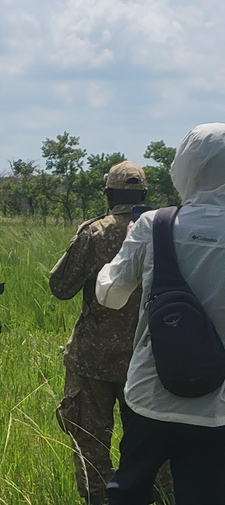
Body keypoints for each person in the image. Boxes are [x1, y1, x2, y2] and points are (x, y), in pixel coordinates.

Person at [96, 123, 225, 505]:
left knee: (129, 489)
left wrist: (133, 241)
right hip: (215, 402)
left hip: (150, 393)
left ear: (186, 168)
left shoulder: (155, 224)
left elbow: (111, 294)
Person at [50, 161, 173, 505]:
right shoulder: (163, 230)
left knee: (90, 442)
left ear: (109, 194)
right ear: (144, 195)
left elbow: (60, 286)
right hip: (149, 358)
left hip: (94, 358)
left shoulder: (95, 232)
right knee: (153, 444)